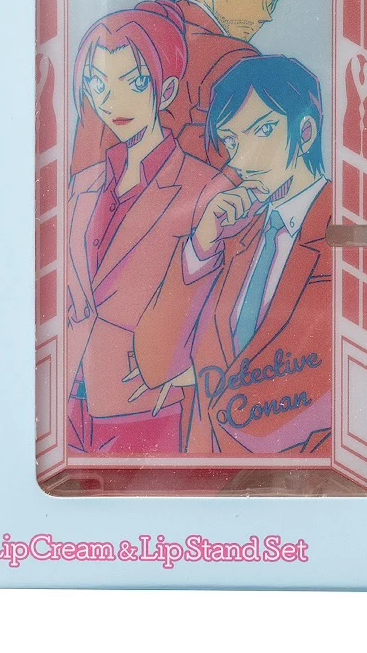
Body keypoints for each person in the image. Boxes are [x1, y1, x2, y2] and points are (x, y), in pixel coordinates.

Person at [133, 55, 332, 457]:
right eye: (232, 141)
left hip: (302, 477)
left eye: (262, 131)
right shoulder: (235, 235)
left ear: (306, 132)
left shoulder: (342, 234)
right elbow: (155, 364)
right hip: (207, 469)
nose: (240, 161)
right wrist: (201, 246)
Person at [65, 3, 232, 456]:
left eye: (134, 83)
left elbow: (227, 306)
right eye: (97, 84)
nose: (112, 102)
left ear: (167, 89)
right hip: (68, 399)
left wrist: (189, 372)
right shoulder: (85, 184)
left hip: (145, 405)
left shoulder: (205, 187)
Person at [70, 0, 300, 173]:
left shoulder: (128, 31)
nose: (264, 13)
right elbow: (237, 169)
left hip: (95, 190)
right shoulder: (236, 58)